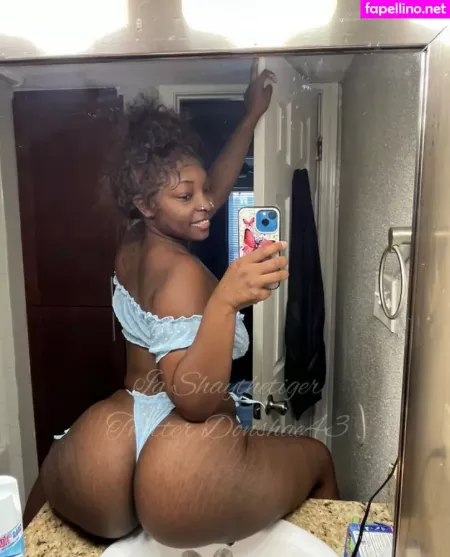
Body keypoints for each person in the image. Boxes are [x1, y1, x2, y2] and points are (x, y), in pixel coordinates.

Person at [26, 65, 339, 547]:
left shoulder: (133, 241)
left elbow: (207, 189)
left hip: (115, 433)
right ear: (147, 204)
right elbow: (192, 400)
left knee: (43, 506)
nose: (205, 203)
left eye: (203, 190)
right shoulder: (184, 275)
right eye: (185, 196)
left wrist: (250, 117)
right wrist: (226, 301)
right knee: (318, 459)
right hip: (180, 446)